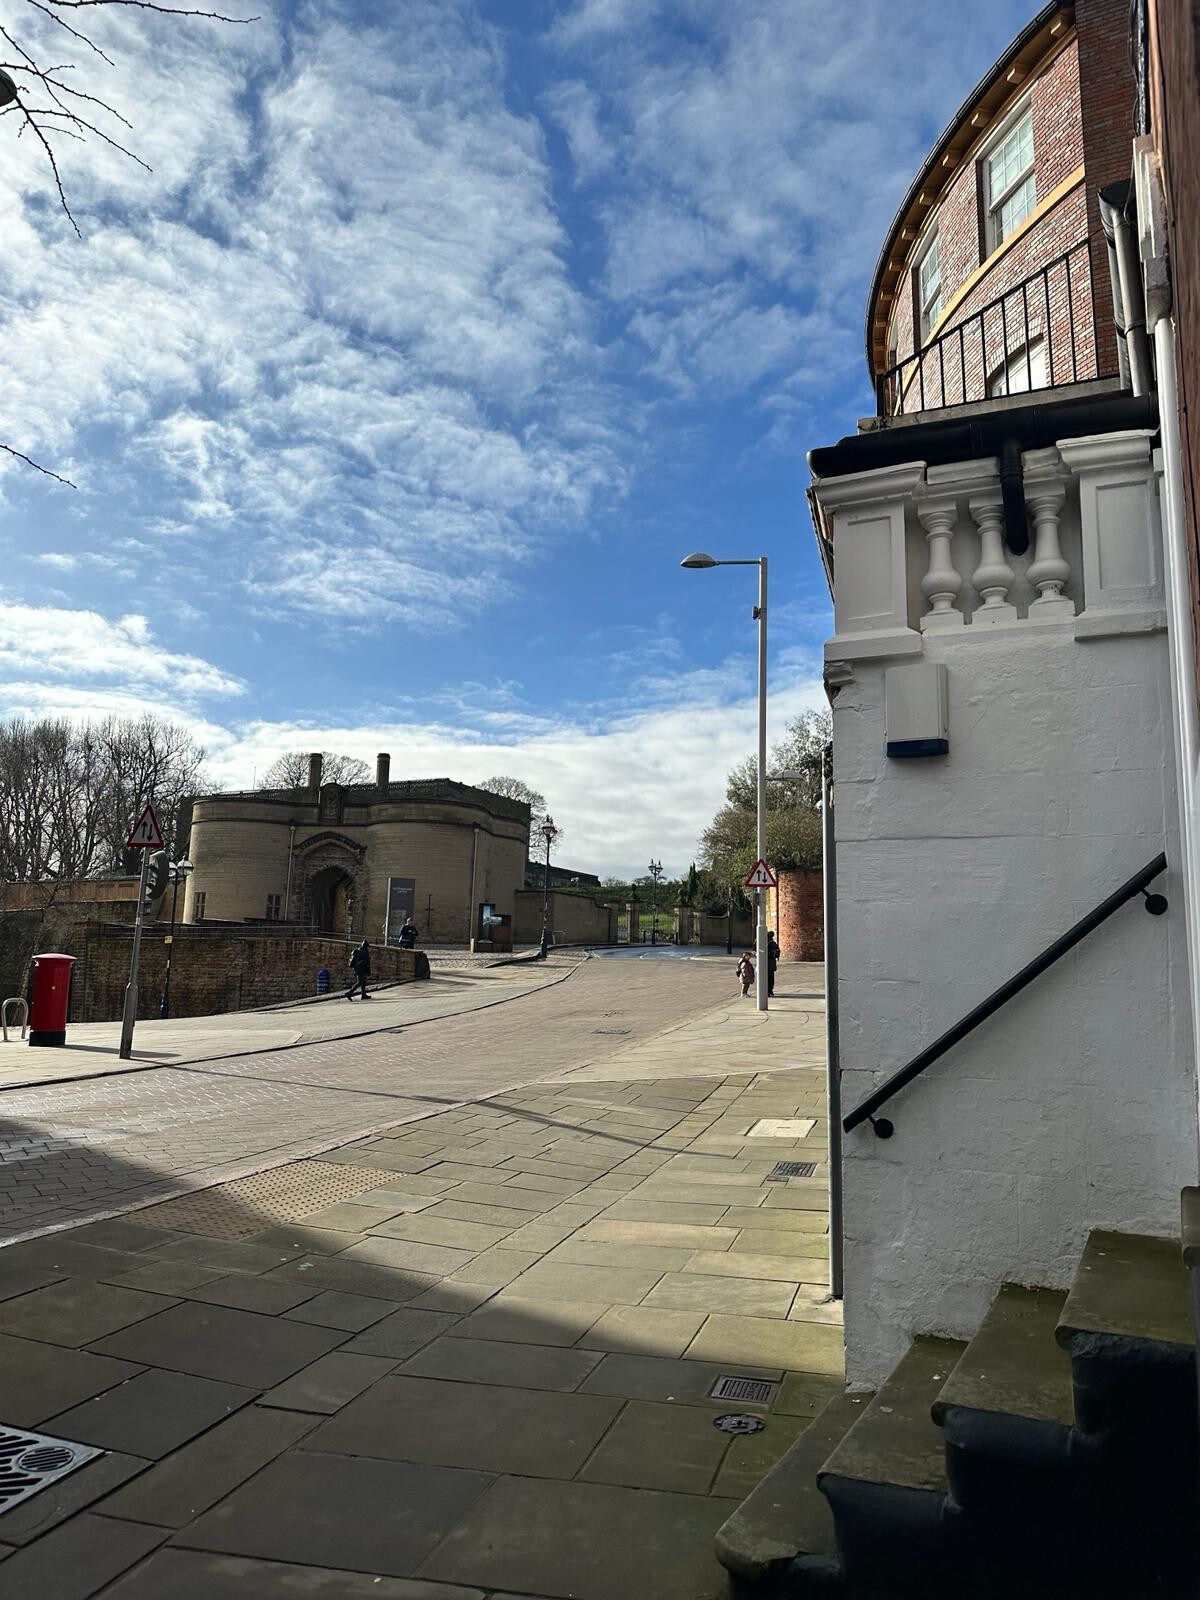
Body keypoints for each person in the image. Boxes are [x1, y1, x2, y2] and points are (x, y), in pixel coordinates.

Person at [767, 930, 780, 997]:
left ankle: (767, 991)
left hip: (766, 962)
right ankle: (770, 990)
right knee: (771, 977)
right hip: (772, 962)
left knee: (765, 977)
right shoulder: (773, 943)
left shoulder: (765, 943)